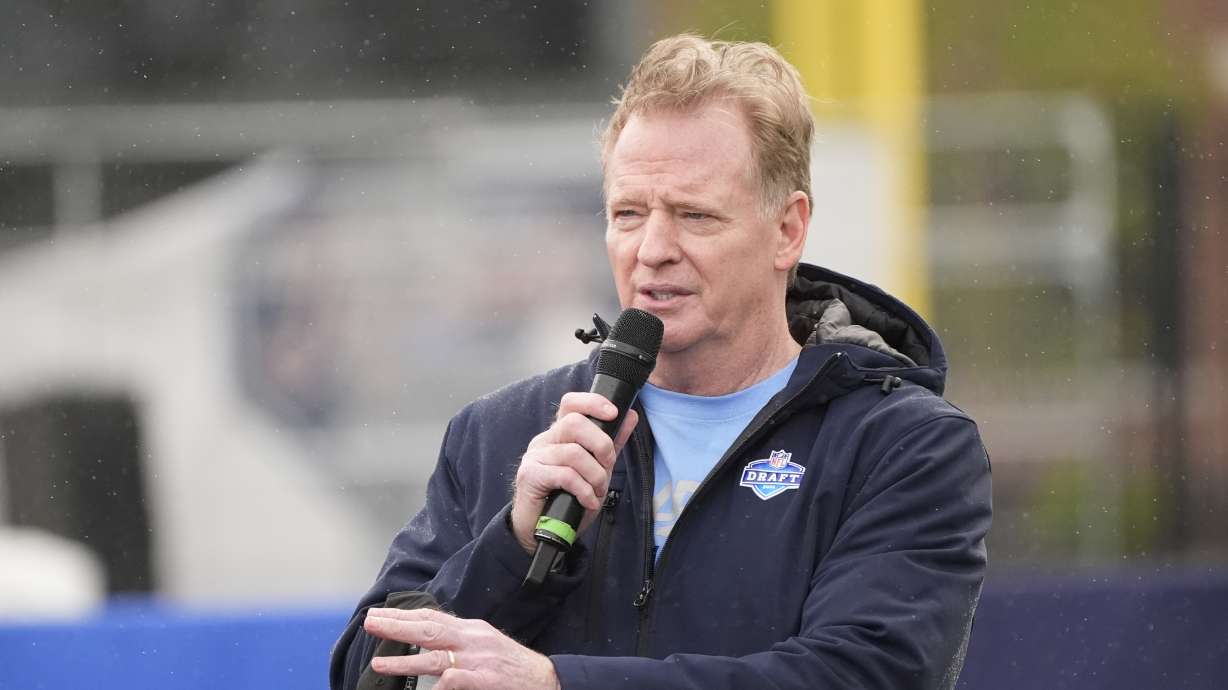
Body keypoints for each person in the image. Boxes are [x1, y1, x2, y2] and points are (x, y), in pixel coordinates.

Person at [330, 34, 992, 690]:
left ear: (787, 230)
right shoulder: (500, 433)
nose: (652, 249)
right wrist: (512, 547)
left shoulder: (903, 446)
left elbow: (862, 675)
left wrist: (560, 684)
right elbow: (371, 676)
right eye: (628, 213)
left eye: (694, 215)